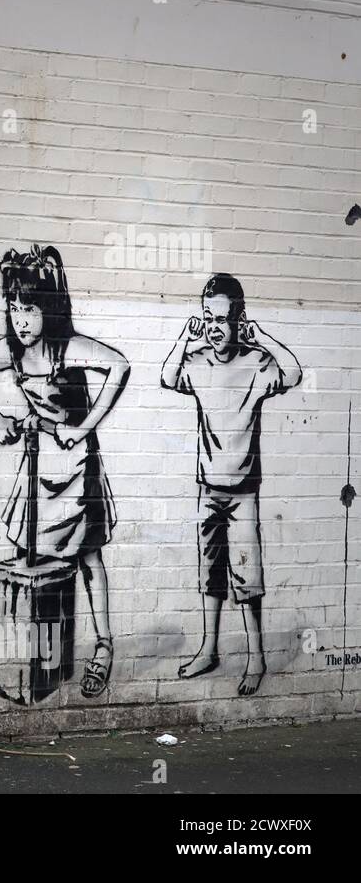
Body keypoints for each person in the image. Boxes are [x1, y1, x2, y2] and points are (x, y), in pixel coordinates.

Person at [0, 244, 131, 698]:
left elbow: (119, 365)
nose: (21, 319)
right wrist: (0, 420)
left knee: (86, 556)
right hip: (38, 463)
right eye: (14, 308)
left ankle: (103, 646)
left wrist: (84, 427)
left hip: (75, 466)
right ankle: (34, 653)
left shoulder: (68, 347)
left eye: (31, 309)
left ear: (50, 309)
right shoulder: (14, 352)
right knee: (26, 551)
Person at [161, 273, 301, 695]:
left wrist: (263, 338)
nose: (216, 328)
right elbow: (168, 377)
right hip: (208, 488)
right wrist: (186, 339)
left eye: (225, 319)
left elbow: (292, 373)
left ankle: (256, 658)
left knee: (247, 577)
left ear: (239, 319)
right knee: (210, 574)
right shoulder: (198, 361)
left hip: (242, 492)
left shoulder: (256, 365)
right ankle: (209, 649)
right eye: (210, 318)